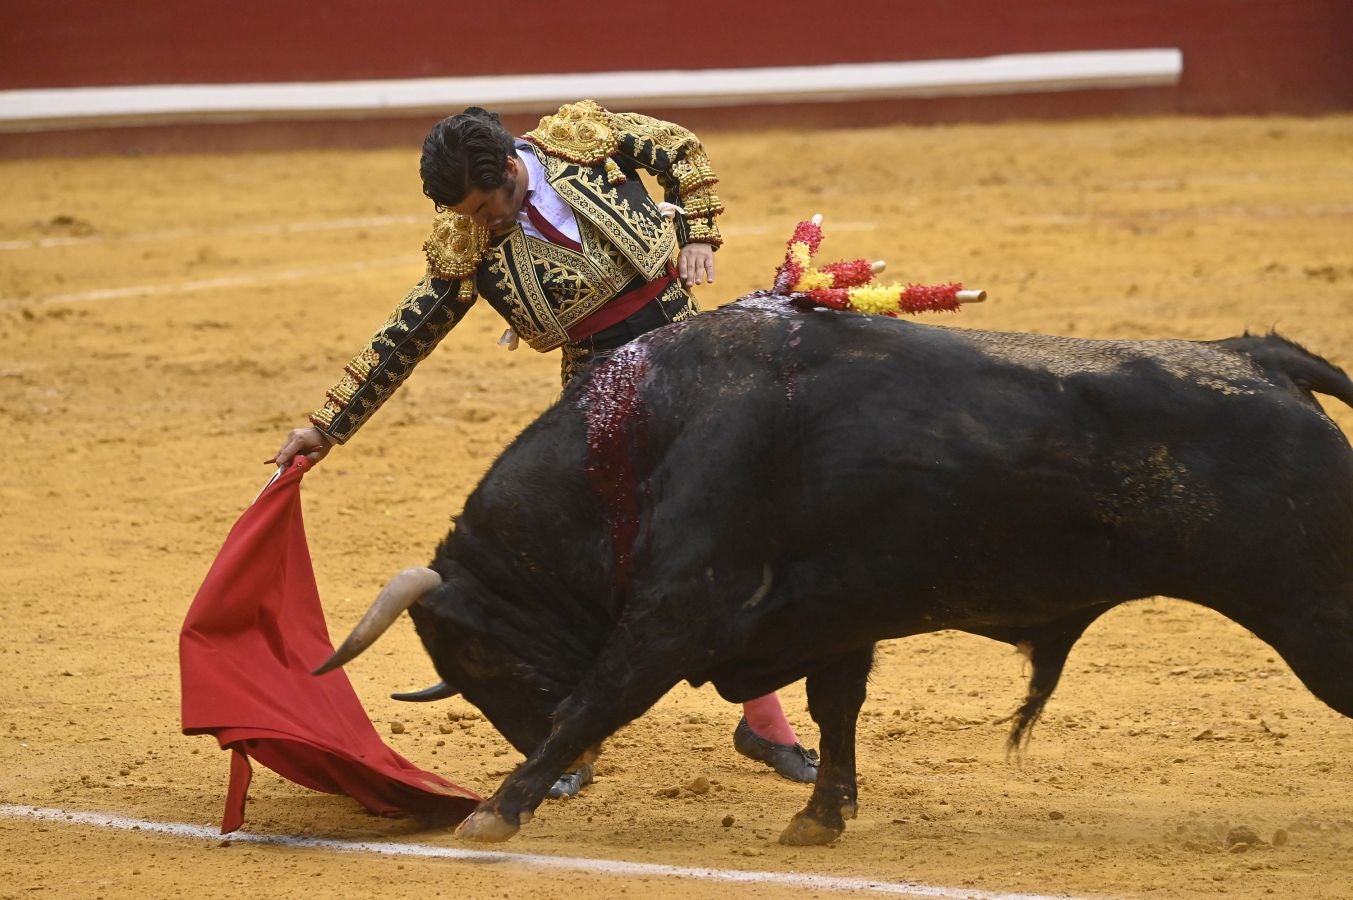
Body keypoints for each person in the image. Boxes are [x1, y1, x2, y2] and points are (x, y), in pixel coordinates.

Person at [270, 100, 818, 794]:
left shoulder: (578, 141)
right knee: (610, 561)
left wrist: (701, 234)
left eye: (485, 206)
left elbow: (678, 148)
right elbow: (406, 334)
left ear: (509, 166)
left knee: (738, 526)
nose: (480, 222)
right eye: (467, 214)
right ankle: (567, 730)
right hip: (600, 389)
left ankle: (761, 723)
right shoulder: (465, 241)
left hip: (692, 357)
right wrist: (327, 424)